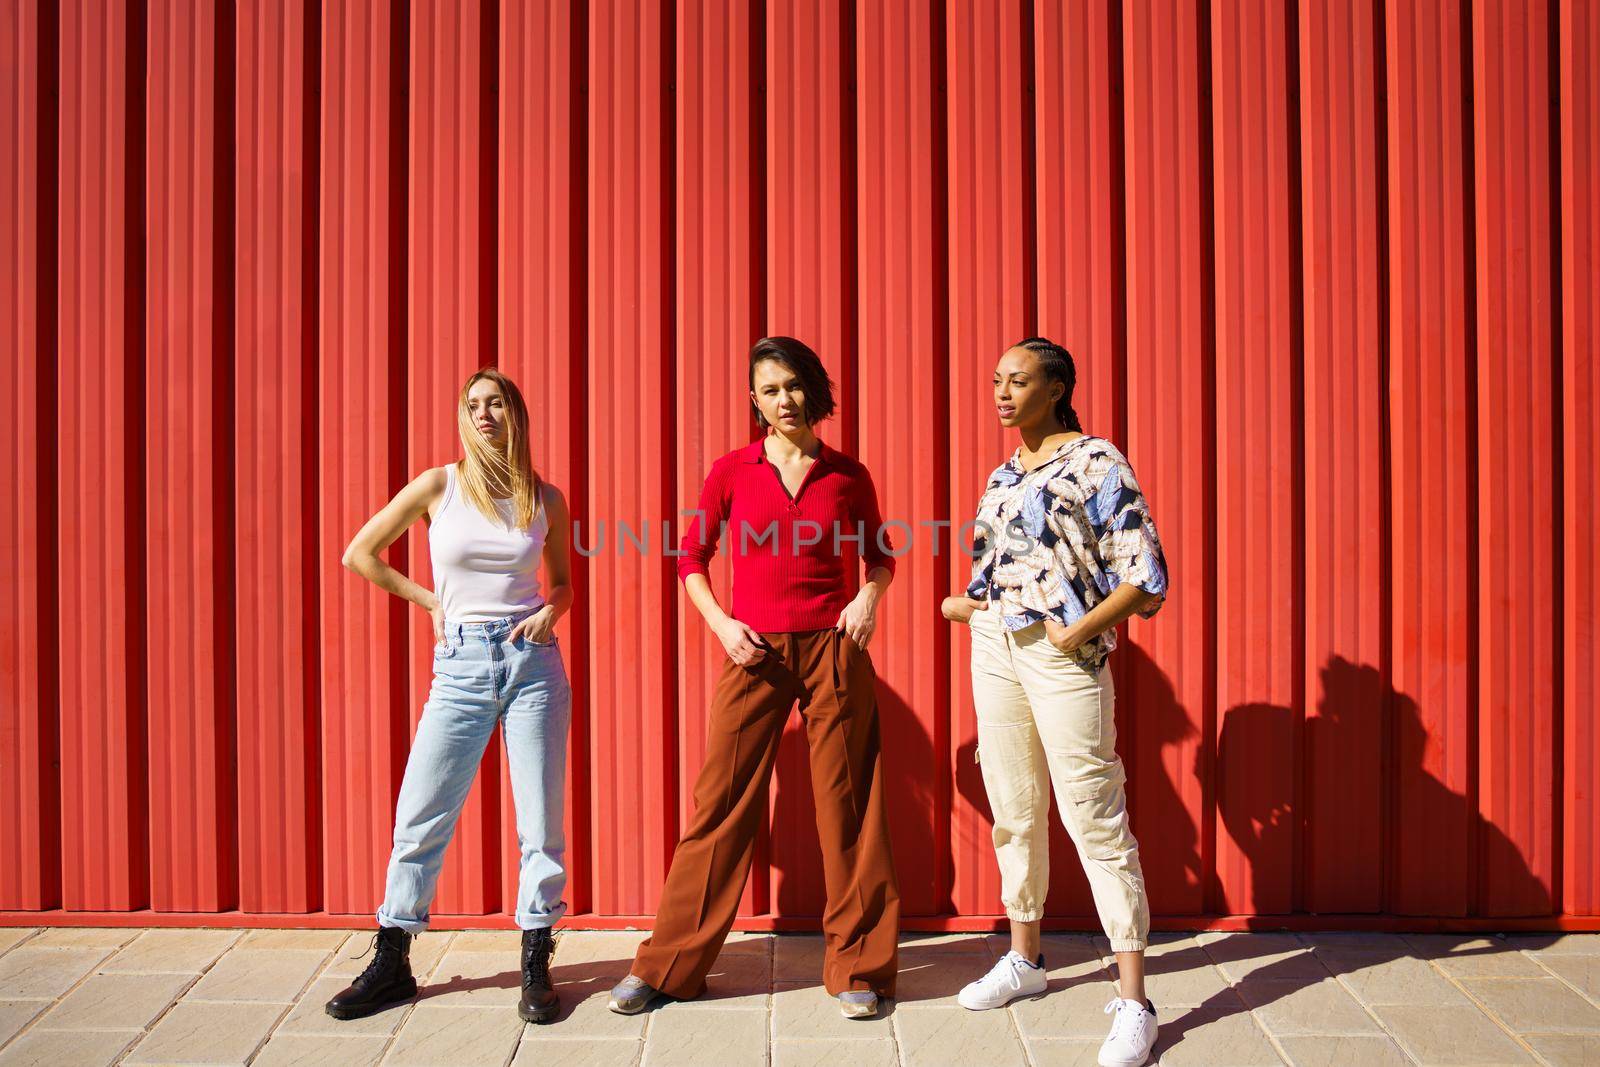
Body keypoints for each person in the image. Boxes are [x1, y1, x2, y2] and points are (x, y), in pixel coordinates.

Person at [608, 336, 901, 1019]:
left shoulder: (846, 474)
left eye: (793, 386)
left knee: (849, 809)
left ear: (813, 390)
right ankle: (669, 965)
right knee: (720, 804)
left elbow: (882, 556)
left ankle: (858, 967)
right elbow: (691, 557)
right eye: (770, 389)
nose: (784, 400)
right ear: (755, 400)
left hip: (834, 648)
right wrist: (722, 624)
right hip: (754, 651)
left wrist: (868, 598)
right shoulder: (732, 471)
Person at [941, 337, 1167, 1067]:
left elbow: (1146, 573)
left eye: (1019, 380)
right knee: (1013, 808)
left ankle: (1136, 1002)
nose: (1003, 392)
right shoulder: (1004, 473)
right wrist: (966, 605)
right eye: (997, 379)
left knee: (1094, 815)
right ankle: (1026, 960)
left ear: (1058, 386)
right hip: (997, 649)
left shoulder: (1099, 461)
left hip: (1063, 654)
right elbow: (988, 567)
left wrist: (1082, 628)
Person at [326, 368, 574, 1025]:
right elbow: (360, 552)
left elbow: (565, 583)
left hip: (532, 668)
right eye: (473, 405)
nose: (484, 413)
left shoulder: (544, 496)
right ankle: (393, 957)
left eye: (495, 403)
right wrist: (430, 599)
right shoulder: (440, 485)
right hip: (460, 665)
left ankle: (535, 959)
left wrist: (553, 610)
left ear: (515, 414)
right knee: (421, 812)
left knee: (541, 823)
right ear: (463, 417)